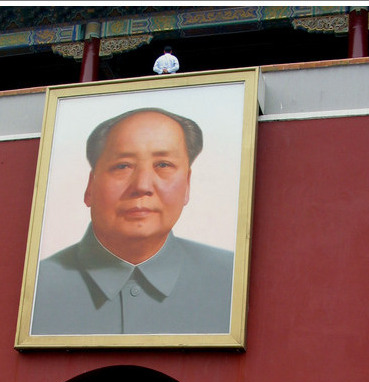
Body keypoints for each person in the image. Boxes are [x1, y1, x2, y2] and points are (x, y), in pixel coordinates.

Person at [31, 108, 234, 336]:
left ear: (187, 184)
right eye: (123, 166)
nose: (142, 186)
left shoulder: (231, 280)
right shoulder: (37, 286)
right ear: (90, 186)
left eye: (163, 165)